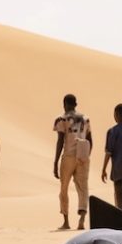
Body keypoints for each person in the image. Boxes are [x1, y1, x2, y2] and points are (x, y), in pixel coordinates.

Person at [53, 93, 93, 230]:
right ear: (75, 104)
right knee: (83, 188)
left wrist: (55, 161)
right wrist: (86, 157)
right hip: (83, 155)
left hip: (68, 156)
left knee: (64, 188)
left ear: (64, 104)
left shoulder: (61, 119)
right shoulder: (86, 119)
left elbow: (60, 141)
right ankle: (82, 219)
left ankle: (66, 221)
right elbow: (90, 140)